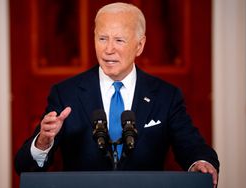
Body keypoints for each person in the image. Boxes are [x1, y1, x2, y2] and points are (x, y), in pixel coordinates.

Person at [15, 2, 219, 187]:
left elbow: (192, 146)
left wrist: (201, 163)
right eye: (102, 38)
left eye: (119, 40)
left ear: (140, 45)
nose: (108, 49)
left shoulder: (165, 95)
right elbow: (24, 166)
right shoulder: (66, 94)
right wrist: (43, 141)